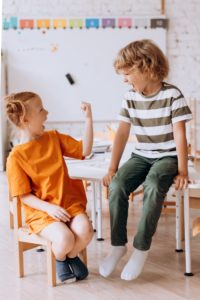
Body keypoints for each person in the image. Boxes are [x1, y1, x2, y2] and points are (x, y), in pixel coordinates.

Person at [99, 39, 192, 281]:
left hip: (166, 156)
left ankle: (141, 249)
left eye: (128, 73)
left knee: (153, 185)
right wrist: (112, 168)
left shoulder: (173, 95)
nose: (124, 79)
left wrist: (182, 170)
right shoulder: (130, 97)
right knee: (117, 185)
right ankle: (118, 246)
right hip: (141, 155)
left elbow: (181, 134)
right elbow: (121, 133)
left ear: (147, 68)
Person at [5, 91, 94, 283]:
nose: (47, 113)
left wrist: (88, 119)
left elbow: (84, 150)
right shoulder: (15, 158)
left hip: (68, 204)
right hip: (41, 212)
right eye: (41, 110)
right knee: (65, 239)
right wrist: (50, 208)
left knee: (86, 231)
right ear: (25, 118)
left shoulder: (53, 137)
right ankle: (60, 257)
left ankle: (67, 257)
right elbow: (23, 196)